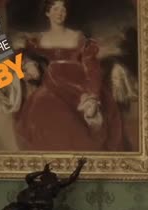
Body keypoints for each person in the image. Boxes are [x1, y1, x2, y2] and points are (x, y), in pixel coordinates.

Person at [12, 0, 127, 151]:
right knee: (41, 105)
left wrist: (92, 95)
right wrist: (27, 64)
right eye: (55, 9)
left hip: (78, 84)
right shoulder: (37, 39)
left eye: (63, 9)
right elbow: (17, 53)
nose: (60, 13)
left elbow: (92, 67)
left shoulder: (78, 37)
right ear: (47, 13)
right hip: (52, 84)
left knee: (82, 120)